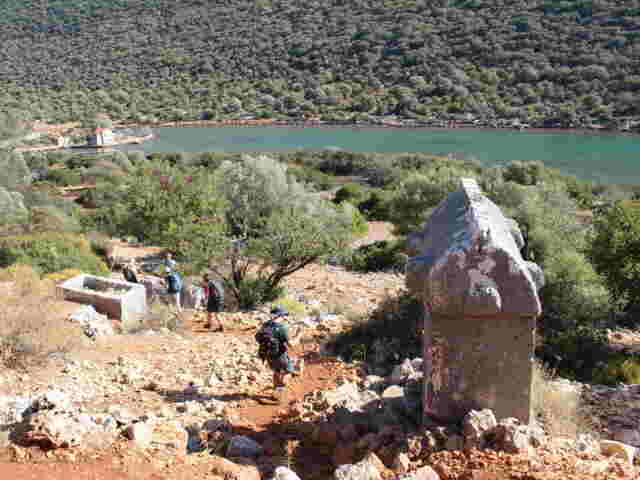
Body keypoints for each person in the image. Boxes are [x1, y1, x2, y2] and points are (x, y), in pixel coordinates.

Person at [255, 307, 303, 397]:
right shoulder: (281, 328)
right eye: (284, 315)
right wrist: (299, 335)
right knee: (288, 370)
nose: (285, 317)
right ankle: (280, 391)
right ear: (280, 315)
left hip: (268, 355)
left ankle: (275, 391)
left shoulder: (266, 325)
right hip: (280, 355)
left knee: (276, 371)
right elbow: (291, 344)